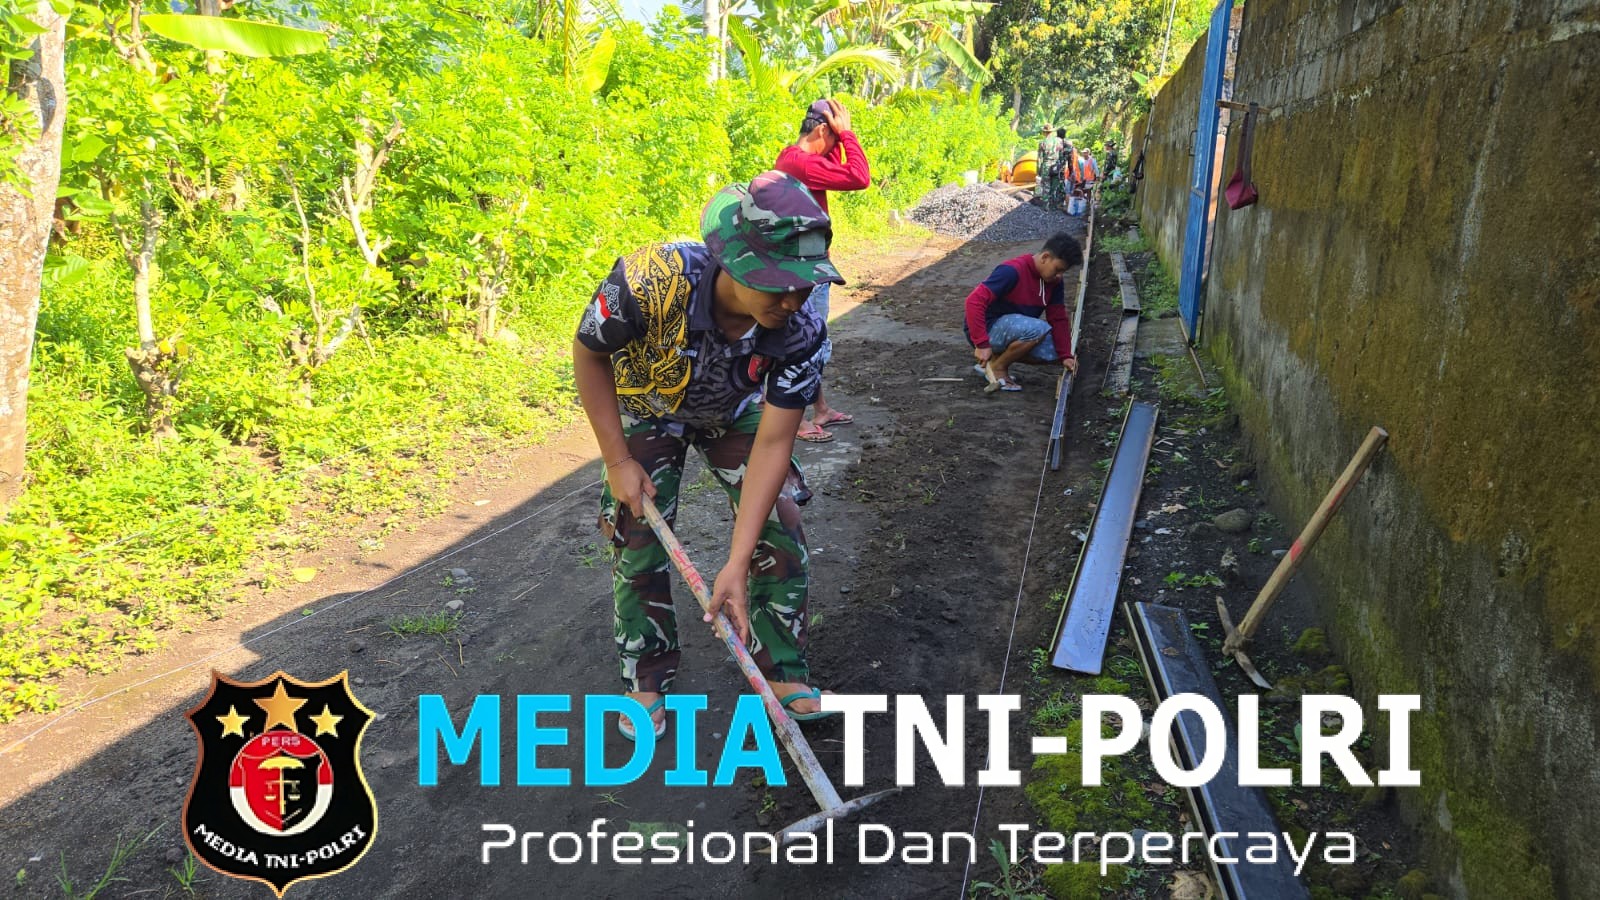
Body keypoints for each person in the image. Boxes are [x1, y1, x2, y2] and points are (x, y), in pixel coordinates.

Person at [572, 170, 842, 740]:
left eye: (805, 284)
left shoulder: (801, 331)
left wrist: (736, 563)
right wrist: (619, 461)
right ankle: (646, 675)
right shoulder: (650, 280)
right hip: (648, 405)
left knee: (779, 515)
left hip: (734, 410)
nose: (793, 300)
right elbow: (588, 352)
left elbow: (774, 441)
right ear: (734, 262)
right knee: (637, 528)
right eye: (778, 284)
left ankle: (782, 671)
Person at [774, 98, 871, 443]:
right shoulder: (801, 163)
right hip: (805, 270)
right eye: (835, 134)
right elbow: (859, 177)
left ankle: (821, 408)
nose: (839, 142)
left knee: (810, 339)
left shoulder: (797, 159)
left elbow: (836, 166)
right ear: (821, 131)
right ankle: (796, 421)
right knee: (805, 343)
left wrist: (837, 137)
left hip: (810, 264)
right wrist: (848, 135)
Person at [963, 232, 1083, 391]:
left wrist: (1066, 355)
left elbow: (1058, 318)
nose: (1059, 275)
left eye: (1063, 272)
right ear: (1045, 257)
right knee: (1038, 328)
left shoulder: (1054, 282)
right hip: (987, 328)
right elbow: (974, 301)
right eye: (1057, 269)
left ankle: (994, 361)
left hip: (1013, 330)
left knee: (1056, 351)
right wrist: (981, 343)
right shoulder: (1012, 271)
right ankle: (999, 368)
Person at [1036, 125, 1064, 212]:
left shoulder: (1042, 143)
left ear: (1044, 132)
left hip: (1046, 166)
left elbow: (1039, 158)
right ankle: (1053, 206)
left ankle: (1046, 206)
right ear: (1052, 132)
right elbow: (1061, 155)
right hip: (1056, 166)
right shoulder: (1059, 141)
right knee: (1054, 187)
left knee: (1046, 186)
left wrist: (1038, 170)